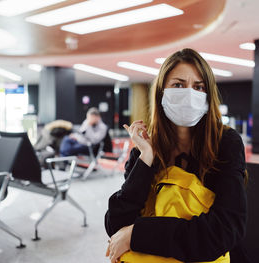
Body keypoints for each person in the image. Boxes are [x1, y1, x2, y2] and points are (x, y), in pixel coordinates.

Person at [105, 48, 249, 263]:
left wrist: (137, 234)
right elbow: (117, 223)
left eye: (198, 87)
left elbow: (223, 231)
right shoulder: (146, 148)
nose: (189, 94)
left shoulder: (225, 143)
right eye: (178, 85)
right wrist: (146, 158)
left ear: (208, 97)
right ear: (162, 93)